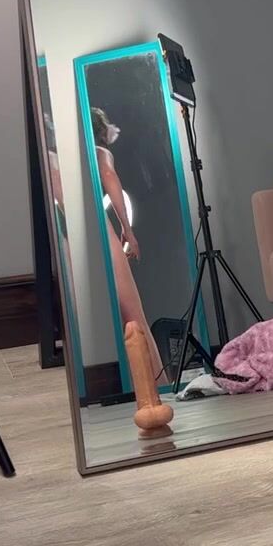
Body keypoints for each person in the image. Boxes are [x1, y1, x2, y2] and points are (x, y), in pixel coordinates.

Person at [91, 107, 165, 382]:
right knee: (133, 313)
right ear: (101, 130)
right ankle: (155, 382)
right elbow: (110, 179)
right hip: (101, 230)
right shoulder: (100, 153)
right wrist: (127, 230)